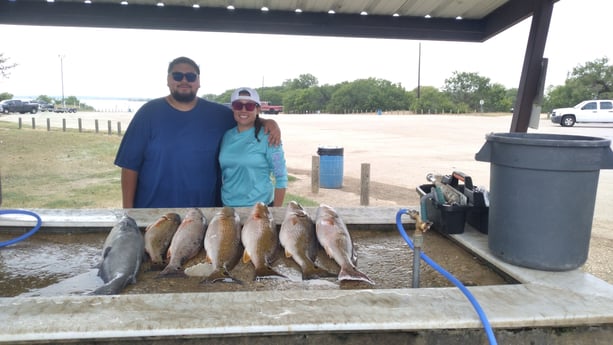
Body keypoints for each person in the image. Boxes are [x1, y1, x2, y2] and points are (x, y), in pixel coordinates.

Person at [114, 57, 280, 208]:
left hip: (203, 215)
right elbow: (129, 166)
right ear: (168, 80)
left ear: (198, 81)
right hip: (154, 212)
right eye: (177, 76)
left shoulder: (217, 114)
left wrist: (268, 122)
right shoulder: (148, 113)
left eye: (191, 76)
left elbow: (245, 116)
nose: (184, 80)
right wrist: (128, 213)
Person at [219, 87, 287, 207]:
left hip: (259, 209)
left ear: (258, 109)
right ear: (233, 108)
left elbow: (281, 177)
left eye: (249, 106)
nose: (243, 110)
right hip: (228, 207)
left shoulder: (269, 136)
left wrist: (276, 213)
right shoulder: (227, 136)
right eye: (238, 105)